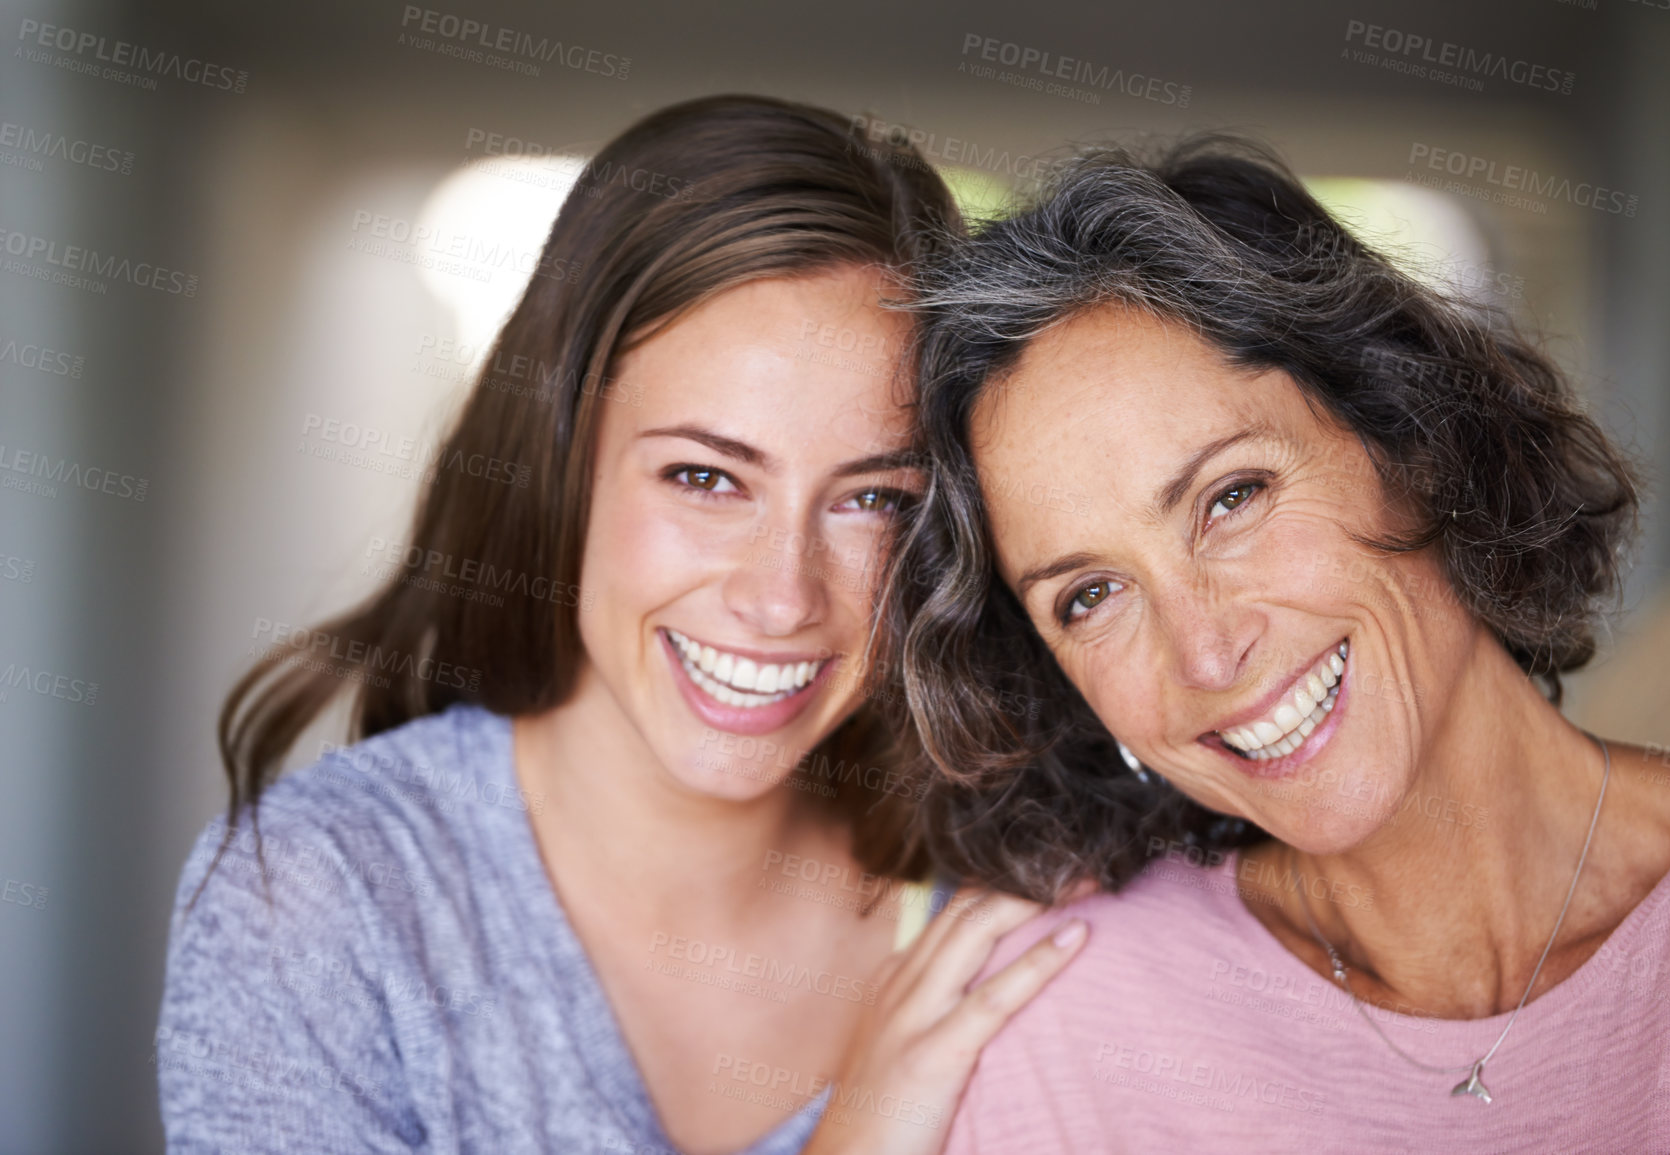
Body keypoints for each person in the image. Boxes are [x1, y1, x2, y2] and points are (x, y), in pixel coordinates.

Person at [154, 95, 1086, 1155]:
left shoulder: (1008, 915)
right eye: (704, 477)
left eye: (874, 498)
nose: (782, 597)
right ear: (563, 464)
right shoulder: (325, 898)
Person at [880, 137, 1670, 1151]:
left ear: (1414, 444)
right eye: (1092, 595)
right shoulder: (1064, 1017)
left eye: (1231, 498)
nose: (1205, 654)